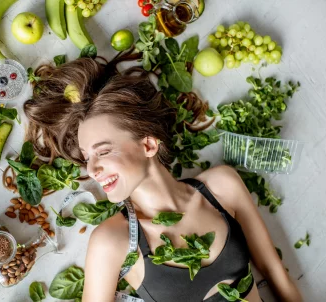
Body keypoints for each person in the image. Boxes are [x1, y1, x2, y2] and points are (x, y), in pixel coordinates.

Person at [23, 56, 302, 302]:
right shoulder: (112, 241)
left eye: (103, 151)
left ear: (148, 146)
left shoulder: (222, 186)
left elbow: (276, 272)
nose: (93, 169)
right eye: (87, 157)